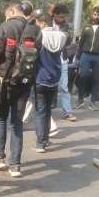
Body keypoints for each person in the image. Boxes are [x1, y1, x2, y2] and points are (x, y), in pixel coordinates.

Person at [0, 1, 42, 178]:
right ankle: (15, 166)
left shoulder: (5, 27)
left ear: (12, 11)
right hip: (25, 82)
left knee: (0, 117)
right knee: (17, 123)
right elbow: (38, 57)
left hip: (4, 81)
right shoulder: (35, 31)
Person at [34, 14, 67, 153]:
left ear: (41, 23)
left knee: (40, 111)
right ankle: (45, 139)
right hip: (54, 78)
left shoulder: (40, 36)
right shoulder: (62, 36)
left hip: (41, 77)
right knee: (48, 110)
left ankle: (40, 143)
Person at [76, 7, 99, 111]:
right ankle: (80, 100)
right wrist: (78, 57)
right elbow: (81, 43)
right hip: (85, 55)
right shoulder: (86, 27)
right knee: (83, 76)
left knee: (97, 79)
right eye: (94, 14)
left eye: (98, 14)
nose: (96, 16)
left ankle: (93, 102)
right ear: (92, 15)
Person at [52, 4, 78, 122]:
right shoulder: (46, 23)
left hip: (62, 59)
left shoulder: (66, 26)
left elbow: (67, 42)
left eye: (64, 17)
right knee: (45, 86)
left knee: (64, 87)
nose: (62, 19)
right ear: (54, 14)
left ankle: (67, 112)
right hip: (48, 60)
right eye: (60, 17)